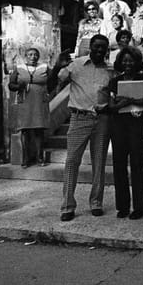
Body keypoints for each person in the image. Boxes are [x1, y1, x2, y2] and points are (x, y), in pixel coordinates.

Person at [50, 34, 112, 222]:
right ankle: (68, 206)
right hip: (79, 118)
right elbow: (54, 83)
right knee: (72, 162)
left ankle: (96, 203)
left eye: (103, 48)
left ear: (107, 50)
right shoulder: (75, 65)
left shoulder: (110, 70)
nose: (100, 50)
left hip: (101, 120)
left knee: (99, 162)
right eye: (96, 47)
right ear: (90, 48)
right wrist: (57, 65)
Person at [107, 46, 143, 220]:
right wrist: (123, 104)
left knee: (138, 164)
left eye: (131, 60)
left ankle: (139, 207)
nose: (128, 64)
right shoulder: (114, 82)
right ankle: (122, 206)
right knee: (119, 165)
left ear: (137, 62)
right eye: (124, 61)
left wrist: (128, 100)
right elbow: (111, 106)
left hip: (137, 125)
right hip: (118, 125)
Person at [8, 47, 49, 168]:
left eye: (35, 55)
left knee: (39, 129)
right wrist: (18, 86)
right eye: (30, 54)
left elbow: (52, 80)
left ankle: (40, 157)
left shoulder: (44, 67)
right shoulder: (19, 68)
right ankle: (25, 158)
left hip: (39, 101)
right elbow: (11, 84)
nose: (33, 57)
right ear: (26, 56)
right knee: (25, 130)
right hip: (24, 101)